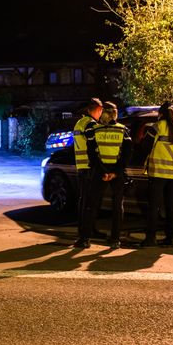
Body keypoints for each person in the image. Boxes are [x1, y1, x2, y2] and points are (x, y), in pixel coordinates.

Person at [140, 102, 173, 247]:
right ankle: (171, 237)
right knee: (170, 206)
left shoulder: (156, 127)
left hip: (158, 172)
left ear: (160, 114)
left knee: (154, 206)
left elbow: (145, 147)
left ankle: (151, 238)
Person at [88, 101, 133, 248]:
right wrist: (115, 172)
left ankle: (87, 237)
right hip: (116, 173)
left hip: (100, 172)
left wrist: (103, 172)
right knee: (117, 205)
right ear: (115, 114)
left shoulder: (94, 130)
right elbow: (126, 155)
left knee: (94, 204)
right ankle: (115, 239)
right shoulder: (123, 130)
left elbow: (92, 154)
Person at [72, 98, 103, 248]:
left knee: (84, 202)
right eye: (101, 111)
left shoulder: (80, 123)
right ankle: (85, 238)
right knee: (89, 203)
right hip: (90, 168)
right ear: (97, 109)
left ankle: (87, 232)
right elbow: (93, 147)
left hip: (81, 166)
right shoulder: (91, 125)